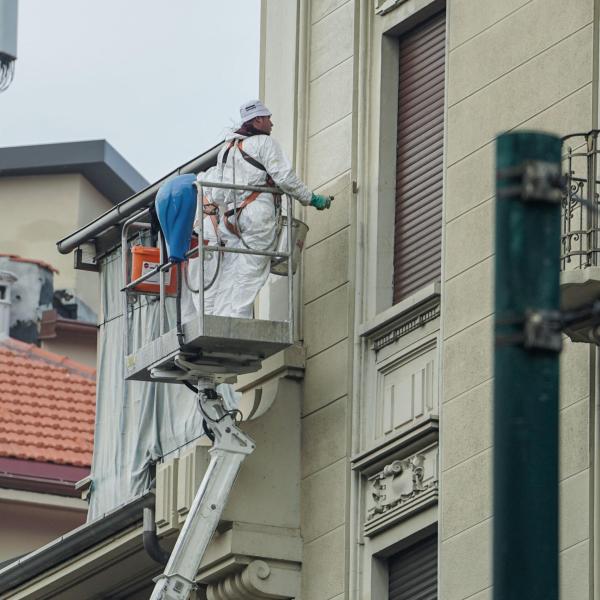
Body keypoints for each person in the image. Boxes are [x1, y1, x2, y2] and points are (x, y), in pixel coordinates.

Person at [211, 99, 331, 318]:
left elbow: (218, 195)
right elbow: (284, 178)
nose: (272, 124)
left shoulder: (226, 150)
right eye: (268, 118)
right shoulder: (264, 144)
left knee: (231, 272)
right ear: (258, 120)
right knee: (251, 271)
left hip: (230, 219)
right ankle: (239, 322)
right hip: (257, 215)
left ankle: (220, 318)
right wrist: (312, 199)